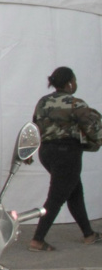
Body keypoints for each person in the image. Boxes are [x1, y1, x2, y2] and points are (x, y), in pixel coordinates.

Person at [29, 67, 102, 252]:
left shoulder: (43, 102)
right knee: (56, 197)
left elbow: (34, 127)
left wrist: (26, 153)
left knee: (74, 192)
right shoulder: (74, 103)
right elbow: (93, 127)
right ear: (69, 82)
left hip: (46, 153)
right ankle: (37, 240)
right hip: (67, 153)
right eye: (75, 80)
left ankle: (89, 234)